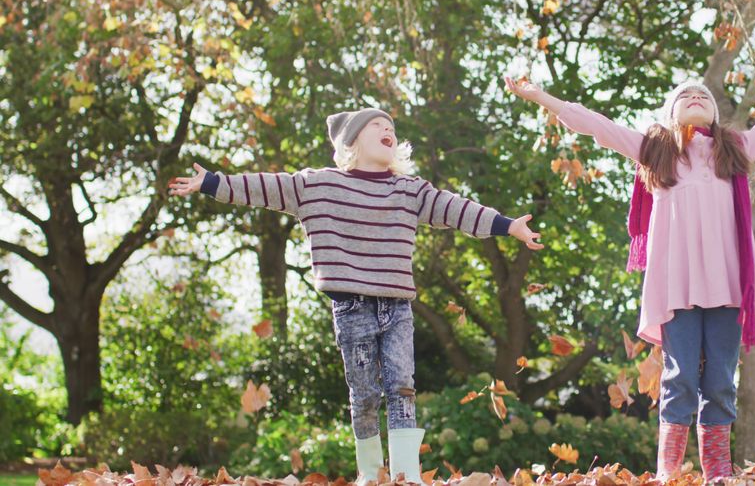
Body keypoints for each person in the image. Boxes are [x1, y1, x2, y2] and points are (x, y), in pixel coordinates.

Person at [505, 76, 755, 482]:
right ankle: (668, 472)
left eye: (703, 97)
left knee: (719, 381)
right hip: (676, 286)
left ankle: (717, 471)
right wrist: (538, 96)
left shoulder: (736, 148)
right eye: (686, 96)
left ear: (715, 114)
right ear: (671, 111)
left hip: (729, 286)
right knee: (679, 378)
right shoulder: (654, 150)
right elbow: (594, 124)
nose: (696, 98)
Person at [169, 108, 543, 484]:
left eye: (391, 127)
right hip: (351, 307)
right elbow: (266, 187)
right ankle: (369, 473)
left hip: (397, 307)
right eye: (377, 126)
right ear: (351, 142)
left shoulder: (408, 189)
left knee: (403, 388)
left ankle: (404, 475)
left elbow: (455, 208)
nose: (387, 130)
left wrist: (508, 225)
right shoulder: (317, 185)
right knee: (364, 394)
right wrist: (213, 183)